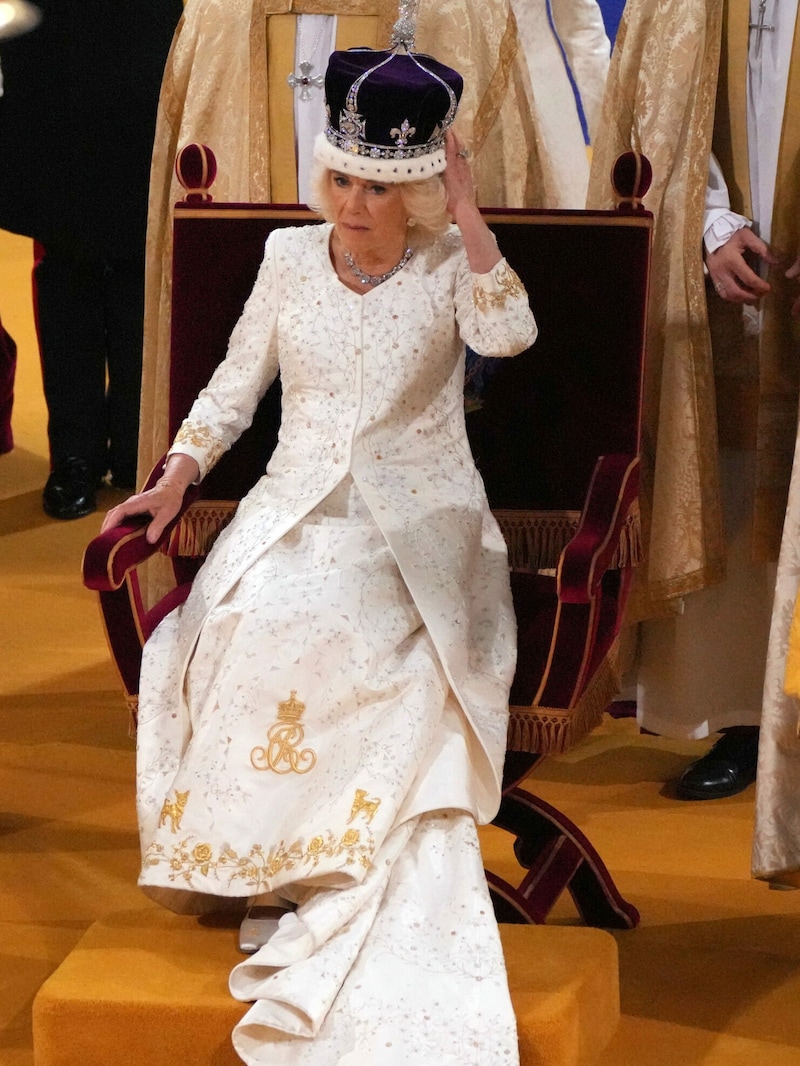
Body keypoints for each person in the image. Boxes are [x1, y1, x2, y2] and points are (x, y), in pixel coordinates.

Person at [102, 33, 537, 1064]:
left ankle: (333, 869)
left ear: (418, 192)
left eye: (375, 190)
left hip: (418, 533)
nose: (349, 205)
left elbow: (508, 334)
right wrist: (175, 475)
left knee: (351, 629)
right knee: (254, 619)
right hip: (293, 511)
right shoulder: (286, 259)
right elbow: (231, 387)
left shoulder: (448, 267)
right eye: (339, 179)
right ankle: (281, 867)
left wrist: (471, 213)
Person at [588, 0, 799, 800]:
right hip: (733, 283)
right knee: (741, 487)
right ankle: (747, 715)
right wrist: (706, 223)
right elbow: (651, 106)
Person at [0, 0, 182, 518]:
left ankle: (133, 447)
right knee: (67, 266)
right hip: (49, 63)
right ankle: (74, 458)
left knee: (140, 266)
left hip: (145, 59)